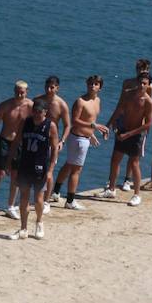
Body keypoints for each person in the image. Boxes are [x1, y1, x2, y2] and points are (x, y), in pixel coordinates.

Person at [7, 98, 58, 241]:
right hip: (25, 164)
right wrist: (9, 161)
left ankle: (39, 222)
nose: (36, 114)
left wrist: (50, 170)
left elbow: (54, 149)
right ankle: (23, 228)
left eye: (39, 112)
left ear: (45, 112)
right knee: (23, 198)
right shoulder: (25, 122)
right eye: (34, 111)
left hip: (40, 166)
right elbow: (16, 142)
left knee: (38, 198)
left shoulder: (50, 126)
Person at [56, 75, 108, 211]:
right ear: (87, 84)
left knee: (69, 164)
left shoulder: (97, 100)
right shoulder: (80, 101)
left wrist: (92, 134)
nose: (92, 86)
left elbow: (91, 118)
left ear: (100, 87)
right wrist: (93, 127)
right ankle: (70, 200)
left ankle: (56, 192)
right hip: (77, 138)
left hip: (85, 137)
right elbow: (75, 121)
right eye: (91, 83)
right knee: (76, 170)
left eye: (96, 84)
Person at [102, 72, 152, 206]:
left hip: (136, 133)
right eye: (140, 82)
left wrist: (129, 134)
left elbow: (148, 124)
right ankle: (111, 189)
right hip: (123, 129)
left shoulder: (148, 101)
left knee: (134, 163)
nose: (142, 85)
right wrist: (108, 126)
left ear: (148, 85)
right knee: (115, 159)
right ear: (137, 82)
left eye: (145, 84)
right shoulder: (128, 94)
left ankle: (137, 195)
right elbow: (119, 110)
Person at [0, 81, 32, 219]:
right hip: (4, 141)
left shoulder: (30, 106)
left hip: (20, 144)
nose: (19, 94)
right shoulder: (5, 105)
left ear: (27, 91)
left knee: (16, 177)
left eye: (22, 91)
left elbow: (39, 122)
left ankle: (10, 206)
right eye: (17, 91)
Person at [117, 59, 151, 191]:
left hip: (139, 126)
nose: (142, 72)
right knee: (117, 153)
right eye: (140, 70)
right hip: (124, 120)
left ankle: (127, 179)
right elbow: (121, 102)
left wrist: (144, 126)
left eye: (145, 70)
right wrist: (116, 120)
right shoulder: (127, 83)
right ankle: (112, 182)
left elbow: (148, 107)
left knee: (134, 156)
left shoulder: (149, 86)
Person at [41, 76, 70, 205]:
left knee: (49, 172)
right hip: (37, 139)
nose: (49, 90)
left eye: (52, 87)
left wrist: (62, 141)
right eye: (47, 87)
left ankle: (46, 201)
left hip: (52, 142)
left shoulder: (61, 104)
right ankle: (36, 198)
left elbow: (68, 125)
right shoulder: (38, 100)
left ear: (57, 88)